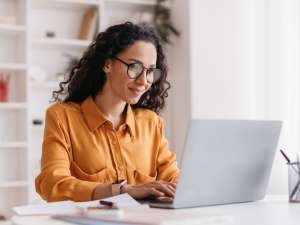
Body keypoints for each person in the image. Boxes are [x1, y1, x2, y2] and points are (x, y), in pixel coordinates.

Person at [35, 22, 179, 203]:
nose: (144, 81)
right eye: (134, 67)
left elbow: (173, 180)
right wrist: (123, 191)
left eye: (150, 71)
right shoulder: (62, 117)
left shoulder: (151, 122)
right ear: (107, 65)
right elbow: (53, 184)